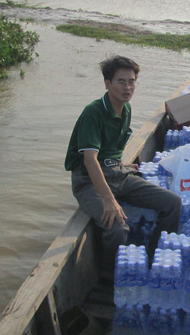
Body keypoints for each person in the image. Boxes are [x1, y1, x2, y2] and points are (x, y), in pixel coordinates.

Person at [65, 55, 181, 266]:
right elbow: (90, 161)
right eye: (121, 82)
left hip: (116, 173)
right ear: (107, 84)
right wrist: (109, 200)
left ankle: (155, 259)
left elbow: (110, 150)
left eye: (131, 82)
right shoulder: (93, 113)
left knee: (172, 203)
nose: (128, 87)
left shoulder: (125, 109)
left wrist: (120, 164)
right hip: (89, 181)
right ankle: (114, 273)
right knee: (117, 227)